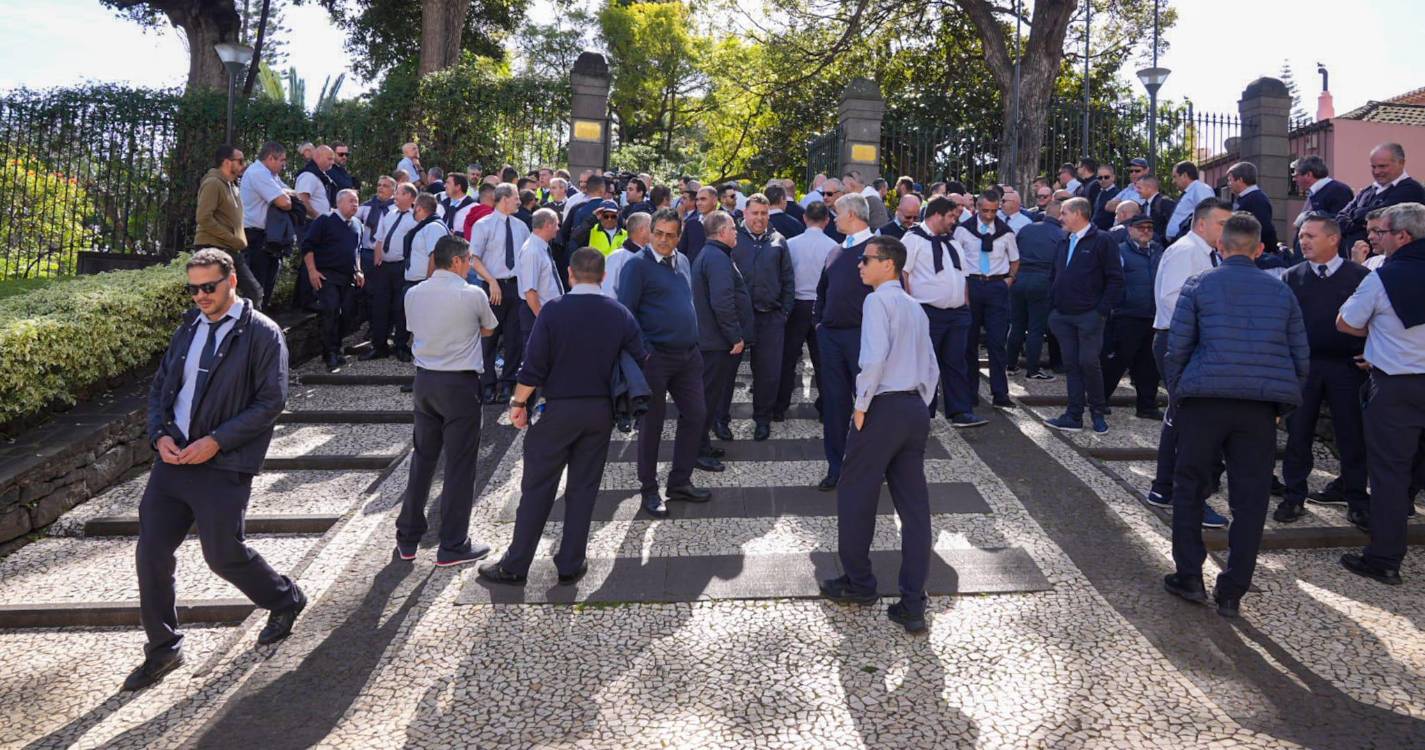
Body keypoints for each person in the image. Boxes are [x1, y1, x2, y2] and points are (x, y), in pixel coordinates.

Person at [126, 249, 303, 691]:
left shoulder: (263, 333)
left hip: (223, 463)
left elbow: (271, 402)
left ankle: (285, 598)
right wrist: (158, 435)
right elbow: (160, 388)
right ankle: (163, 648)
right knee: (150, 554)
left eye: (209, 286)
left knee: (222, 554)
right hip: (172, 461)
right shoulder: (188, 326)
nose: (201, 296)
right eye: (194, 288)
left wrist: (216, 441)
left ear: (232, 283)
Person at [1162, 212, 1309, 617]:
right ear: (1260, 249)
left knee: (1189, 487)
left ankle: (1190, 575)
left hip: (1205, 400)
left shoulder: (1199, 285)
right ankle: (1233, 590)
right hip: (1258, 408)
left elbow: (1178, 348)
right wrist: (1282, 406)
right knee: (1251, 499)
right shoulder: (1281, 292)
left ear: (1220, 247)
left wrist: (1179, 394)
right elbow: (1300, 355)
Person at [477, 249, 647, 585]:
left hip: (557, 409)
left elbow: (533, 365)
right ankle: (570, 561)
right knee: (584, 489)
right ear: (602, 276)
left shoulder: (554, 311)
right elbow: (640, 357)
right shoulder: (619, 313)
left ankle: (516, 564)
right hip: (599, 411)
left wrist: (517, 403)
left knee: (538, 487)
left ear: (570, 274)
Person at [818, 235, 939, 635]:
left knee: (855, 495)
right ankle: (913, 600)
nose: (859, 265)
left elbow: (872, 358)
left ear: (887, 264)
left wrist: (860, 406)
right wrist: (921, 402)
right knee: (915, 508)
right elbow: (932, 368)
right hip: (913, 409)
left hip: (883, 406)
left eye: (866, 260)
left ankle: (859, 582)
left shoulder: (877, 302)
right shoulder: (915, 307)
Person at [1336, 202, 1425, 585]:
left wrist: (1379, 333)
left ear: (1403, 236)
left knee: (1389, 474)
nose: (1375, 238)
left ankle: (1385, 558)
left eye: (1382, 232)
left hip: (1397, 385)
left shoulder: (1382, 277)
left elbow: (1345, 322)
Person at [396, 235, 498, 568]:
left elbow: (415, 328)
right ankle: (453, 542)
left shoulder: (414, 293)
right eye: (468, 259)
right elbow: (488, 329)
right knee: (459, 464)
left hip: (425, 381)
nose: (471, 265)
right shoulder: (472, 294)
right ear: (456, 261)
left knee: (423, 459)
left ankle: (408, 537)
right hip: (459, 383)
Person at [1274, 216, 1370, 524]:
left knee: (1351, 434)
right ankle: (1294, 496)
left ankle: (1356, 498)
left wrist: (1371, 353)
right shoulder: (1291, 277)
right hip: (1305, 367)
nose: (1303, 241)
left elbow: (1375, 320)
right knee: (1298, 433)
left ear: (1332, 239)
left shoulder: (1359, 276)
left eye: (1311, 236)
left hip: (1347, 367)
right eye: (1301, 235)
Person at [617, 208, 712, 517]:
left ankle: (680, 481)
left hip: (688, 357)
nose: (663, 240)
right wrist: (644, 353)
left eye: (670, 235)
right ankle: (649, 489)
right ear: (650, 231)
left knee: (696, 416)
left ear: (679, 236)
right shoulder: (636, 266)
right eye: (658, 233)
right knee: (652, 426)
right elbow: (626, 315)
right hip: (655, 359)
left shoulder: (683, 261)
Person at [1146, 198, 1233, 528]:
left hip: (1184, 341)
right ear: (1202, 224)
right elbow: (1174, 300)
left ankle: (1165, 487)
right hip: (1180, 341)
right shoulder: (1188, 251)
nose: (1227, 231)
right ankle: (1182, 494)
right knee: (1190, 421)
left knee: (1179, 417)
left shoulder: (1203, 253)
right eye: (1222, 224)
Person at [1043, 197, 1124, 434]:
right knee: (1072, 365)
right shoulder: (1064, 241)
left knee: (1089, 362)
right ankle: (1073, 415)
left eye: (1064, 213)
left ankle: (1098, 413)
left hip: (1089, 316)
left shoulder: (1102, 241)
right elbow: (1054, 274)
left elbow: (1115, 278)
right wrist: (1054, 306)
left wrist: (1101, 310)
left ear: (1078, 213)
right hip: (1063, 315)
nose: (1060, 218)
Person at [904, 195, 982, 427]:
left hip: (957, 314)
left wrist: (965, 306)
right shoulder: (913, 239)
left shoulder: (952, 242)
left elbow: (963, 276)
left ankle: (960, 411)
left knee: (956, 362)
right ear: (936, 215)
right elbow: (904, 274)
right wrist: (910, 307)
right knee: (926, 365)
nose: (953, 221)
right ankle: (922, 412)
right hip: (928, 312)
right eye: (950, 216)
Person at [815, 193, 876, 491]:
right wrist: (820, 323)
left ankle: (871, 467)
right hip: (831, 337)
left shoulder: (878, 249)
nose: (833, 218)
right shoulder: (835, 251)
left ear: (851, 214)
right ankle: (835, 466)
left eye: (837, 213)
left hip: (864, 338)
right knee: (835, 405)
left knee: (869, 405)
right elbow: (822, 291)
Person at [730, 194, 795, 441]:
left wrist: (784, 312)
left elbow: (788, 279)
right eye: (755, 213)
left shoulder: (779, 241)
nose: (759, 218)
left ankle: (762, 418)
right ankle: (720, 419)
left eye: (764, 213)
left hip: (770, 318)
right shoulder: (733, 239)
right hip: (738, 318)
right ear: (745, 214)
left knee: (768, 373)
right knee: (727, 372)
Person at [693, 211, 754, 467]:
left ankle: (702, 445)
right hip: (715, 342)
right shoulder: (716, 258)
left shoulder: (714, 254)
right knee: (706, 398)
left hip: (712, 340)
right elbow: (722, 302)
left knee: (710, 396)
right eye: (732, 228)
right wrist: (735, 336)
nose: (736, 231)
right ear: (720, 232)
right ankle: (696, 451)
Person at [954, 191, 1020, 410]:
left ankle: (1000, 393)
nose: (990, 215)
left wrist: (1008, 280)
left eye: (994, 211)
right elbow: (955, 258)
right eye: (985, 211)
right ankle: (970, 392)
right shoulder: (964, 231)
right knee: (968, 342)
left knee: (996, 342)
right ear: (977, 208)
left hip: (996, 286)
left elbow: (1015, 259)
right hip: (971, 285)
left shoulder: (1005, 232)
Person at [468, 183, 531, 403]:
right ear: (504, 198)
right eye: (515, 197)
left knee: (514, 339)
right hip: (492, 286)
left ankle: (508, 383)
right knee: (489, 337)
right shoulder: (483, 225)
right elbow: (473, 258)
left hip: (515, 287)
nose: (519, 201)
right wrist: (491, 280)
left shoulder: (522, 226)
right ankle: (487, 384)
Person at [776, 200, 836, 420]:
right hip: (821, 305)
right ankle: (826, 408)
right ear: (827, 221)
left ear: (804, 218)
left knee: (788, 357)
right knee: (822, 360)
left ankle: (779, 406)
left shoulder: (790, 244)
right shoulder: (833, 246)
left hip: (796, 304)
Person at [1100, 214, 1163, 420]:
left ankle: (1147, 405)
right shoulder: (1120, 252)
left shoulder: (1158, 251)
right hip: (1127, 315)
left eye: (1149, 227)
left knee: (1149, 365)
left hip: (1152, 315)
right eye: (1141, 227)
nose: (1146, 231)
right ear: (1130, 230)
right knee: (1117, 361)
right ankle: (1099, 400)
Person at [303, 189, 365, 372]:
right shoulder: (324, 221)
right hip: (326, 275)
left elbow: (356, 251)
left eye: (357, 201)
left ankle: (335, 347)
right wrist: (312, 271)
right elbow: (307, 246)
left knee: (347, 313)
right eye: (351, 201)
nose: (355, 205)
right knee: (330, 311)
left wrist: (359, 270)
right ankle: (330, 352)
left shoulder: (357, 225)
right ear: (339, 203)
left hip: (348, 276)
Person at [194, 145, 262, 303]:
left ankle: (237, 327)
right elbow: (203, 218)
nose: (243, 165)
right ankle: (245, 328)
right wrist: (231, 239)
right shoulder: (213, 183)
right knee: (250, 292)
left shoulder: (232, 186)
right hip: (213, 248)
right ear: (226, 162)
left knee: (247, 293)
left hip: (229, 249)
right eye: (240, 161)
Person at [1008, 198, 1063, 380]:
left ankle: (1010, 364)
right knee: (1036, 328)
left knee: (1016, 325)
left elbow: (1014, 253)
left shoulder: (1027, 229)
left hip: (1019, 278)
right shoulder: (1061, 235)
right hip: (1042, 280)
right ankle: (1032, 369)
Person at [239, 141, 296, 310]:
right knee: (257, 290)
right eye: (282, 160)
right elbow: (285, 202)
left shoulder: (271, 175)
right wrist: (286, 196)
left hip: (269, 239)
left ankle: (260, 326)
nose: (284, 165)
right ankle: (252, 328)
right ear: (271, 158)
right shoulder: (258, 173)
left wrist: (286, 194)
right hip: (256, 238)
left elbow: (293, 194)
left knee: (267, 288)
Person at [1337, 143, 1425, 250]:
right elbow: (1340, 218)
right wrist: (1359, 219)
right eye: (1373, 167)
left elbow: (1380, 217)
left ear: (1401, 163)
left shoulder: (1411, 189)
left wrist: (1356, 215)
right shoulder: (1367, 191)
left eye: (1382, 166)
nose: (1377, 171)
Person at [366, 182, 419, 362]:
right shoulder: (389, 213)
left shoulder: (415, 219)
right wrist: (377, 258)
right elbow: (380, 237)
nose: (395, 196)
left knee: (401, 307)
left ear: (411, 197)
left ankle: (401, 345)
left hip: (401, 267)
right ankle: (379, 345)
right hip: (384, 266)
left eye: (400, 193)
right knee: (379, 306)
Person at [516, 207, 565, 340]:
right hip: (537, 315)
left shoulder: (540, 247)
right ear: (547, 225)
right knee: (536, 358)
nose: (558, 228)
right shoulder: (532, 251)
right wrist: (542, 320)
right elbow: (530, 291)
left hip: (545, 313)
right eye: (556, 224)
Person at [1292, 156, 1354, 251]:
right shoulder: (1314, 192)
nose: (1294, 179)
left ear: (1308, 174)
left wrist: (1310, 216)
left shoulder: (1338, 190)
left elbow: (1341, 222)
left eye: (1296, 175)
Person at [1227, 161, 1281, 261]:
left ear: (1240, 180)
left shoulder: (1257, 199)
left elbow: (1265, 228)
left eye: (1230, 180)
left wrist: (1270, 251)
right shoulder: (1244, 198)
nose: (1229, 184)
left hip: (1259, 257)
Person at [1167, 161, 1215, 242]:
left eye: (1175, 177)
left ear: (1184, 175)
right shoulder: (1191, 191)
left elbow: (1208, 214)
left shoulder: (1200, 189)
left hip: (1190, 241)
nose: (1173, 181)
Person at [604, 211, 649, 298]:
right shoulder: (617, 257)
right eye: (651, 227)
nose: (655, 231)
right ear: (642, 230)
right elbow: (609, 291)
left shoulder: (652, 256)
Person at [678, 186, 720, 261]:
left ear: (714, 200)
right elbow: (681, 251)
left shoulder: (725, 222)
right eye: (697, 200)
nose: (699, 203)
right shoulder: (691, 223)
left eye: (703, 199)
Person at [294, 145, 336, 219]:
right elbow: (302, 201)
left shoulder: (320, 175)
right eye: (329, 159)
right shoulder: (309, 175)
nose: (332, 162)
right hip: (310, 224)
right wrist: (318, 217)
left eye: (333, 159)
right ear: (317, 157)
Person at [1137, 175, 1176, 247]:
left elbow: (1173, 225)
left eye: (1139, 188)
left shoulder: (1165, 203)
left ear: (1149, 188)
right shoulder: (1145, 205)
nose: (1137, 191)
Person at [442, 173, 478, 238]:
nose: (445, 186)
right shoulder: (441, 205)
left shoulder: (473, 208)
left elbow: (476, 233)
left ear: (458, 187)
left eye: (448, 183)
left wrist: (458, 235)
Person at [1090, 164, 1120, 230]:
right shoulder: (1100, 192)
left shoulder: (1117, 194)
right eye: (1100, 178)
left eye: (1106, 177)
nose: (1103, 180)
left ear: (1113, 177)